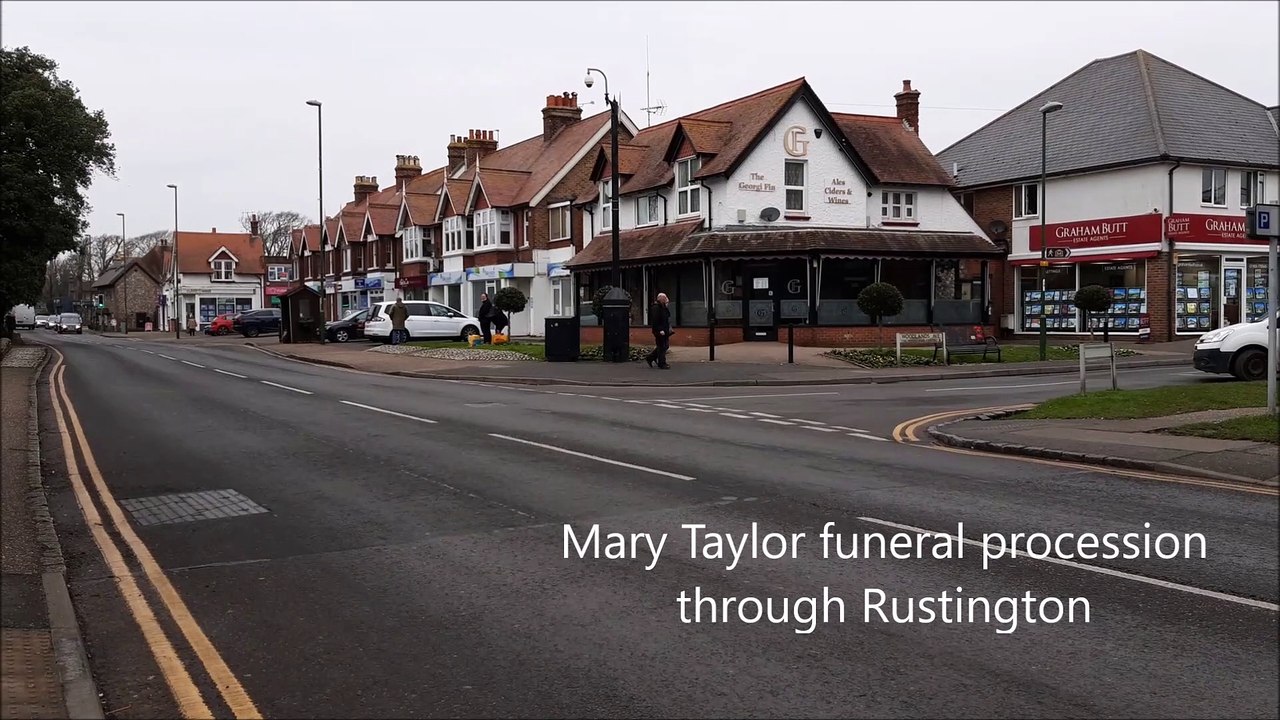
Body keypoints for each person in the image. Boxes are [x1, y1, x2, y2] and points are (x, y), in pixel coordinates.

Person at [645, 292, 672, 369]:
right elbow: (655, 321)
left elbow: (667, 316)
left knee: (665, 346)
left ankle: (650, 358)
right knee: (662, 346)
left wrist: (666, 306)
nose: (666, 299)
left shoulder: (663, 307)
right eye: (665, 298)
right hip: (659, 331)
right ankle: (662, 363)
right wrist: (660, 330)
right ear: (660, 299)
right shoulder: (656, 308)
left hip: (664, 330)